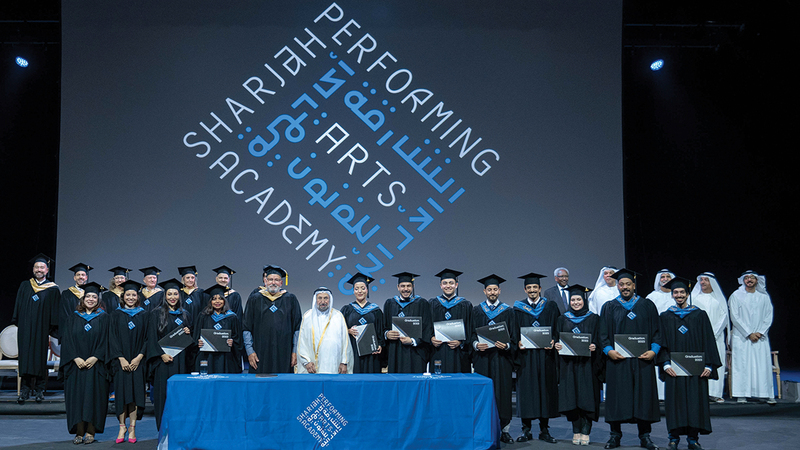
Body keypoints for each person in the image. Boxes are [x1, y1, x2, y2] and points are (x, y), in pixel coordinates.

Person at [598, 269, 661, 450]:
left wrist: (654, 351)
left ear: (634, 285)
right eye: (621, 284)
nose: (625, 287)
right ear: (617, 286)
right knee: (617, 397)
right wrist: (609, 350)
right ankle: (615, 435)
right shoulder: (609, 307)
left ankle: (645, 436)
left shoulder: (647, 305)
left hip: (642, 360)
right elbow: (602, 334)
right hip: (618, 361)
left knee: (643, 397)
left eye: (628, 284)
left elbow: (657, 331)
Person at [658, 277, 722, 450]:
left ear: (687, 294)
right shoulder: (665, 317)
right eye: (676, 292)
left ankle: (693, 439)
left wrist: (708, 365)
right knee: (675, 404)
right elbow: (661, 342)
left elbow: (708, 341)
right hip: (674, 369)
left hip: (696, 369)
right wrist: (665, 364)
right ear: (672, 295)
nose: (679, 295)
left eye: (682, 292)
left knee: (695, 403)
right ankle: (673, 438)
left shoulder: (699, 315)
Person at [60, 281, 110, 445]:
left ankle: (91, 430)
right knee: (77, 398)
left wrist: (96, 356)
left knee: (94, 398)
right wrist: (75, 357)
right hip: (76, 366)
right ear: (83, 299)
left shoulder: (104, 318)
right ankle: (79, 430)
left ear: (98, 300)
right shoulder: (73, 318)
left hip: (96, 366)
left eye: (94, 297)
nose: (90, 299)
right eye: (88, 296)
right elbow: (67, 341)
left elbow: (107, 340)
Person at [514, 272, 561, 443]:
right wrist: (518, 342)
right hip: (526, 357)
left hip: (545, 355)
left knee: (544, 390)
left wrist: (554, 339)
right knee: (527, 392)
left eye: (535, 287)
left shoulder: (550, 306)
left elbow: (557, 327)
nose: (532, 290)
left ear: (540, 288)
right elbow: (514, 331)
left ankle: (544, 430)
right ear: (525, 289)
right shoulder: (518, 308)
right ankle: (526, 430)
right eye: (529, 287)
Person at [471, 274, 518, 445]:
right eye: (489, 289)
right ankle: (483, 429)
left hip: (502, 359)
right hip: (483, 359)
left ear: (499, 291)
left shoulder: (508, 311)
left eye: (495, 289)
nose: (492, 292)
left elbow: (515, 337)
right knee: (483, 394)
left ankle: (504, 430)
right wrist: (476, 345)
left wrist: (507, 346)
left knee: (503, 394)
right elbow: (470, 335)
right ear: (484, 291)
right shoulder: (476, 311)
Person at [554, 284, 602, 447]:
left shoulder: (594, 318)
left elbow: (600, 338)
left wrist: (595, 345)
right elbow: (556, 338)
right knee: (572, 397)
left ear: (584, 301)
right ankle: (576, 430)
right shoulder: (562, 319)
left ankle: (586, 430)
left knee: (587, 397)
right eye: (573, 300)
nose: (576, 302)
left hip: (588, 366)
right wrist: (557, 345)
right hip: (569, 365)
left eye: (578, 299)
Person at [12, 253, 60, 404]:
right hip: (25, 329)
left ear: (47, 270)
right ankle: (25, 390)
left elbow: (54, 310)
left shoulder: (52, 289)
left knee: (39, 358)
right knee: (25, 357)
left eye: (42, 267)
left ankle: (40, 390)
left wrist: (51, 327)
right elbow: (18, 306)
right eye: (36, 267)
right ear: (33, 269)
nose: (39, 269)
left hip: (41, 329)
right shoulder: (25, 286)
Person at [146, 278, 192, 430]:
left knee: (180, 396)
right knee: (163, 395)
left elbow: (190, 343)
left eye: (175, 294)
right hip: (163, 362)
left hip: (181, 362)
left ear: (180, 296)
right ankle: (163, 430)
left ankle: (179, 430)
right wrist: (161, 354)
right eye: (169, 294)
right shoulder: (156, 314)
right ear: (165, 296)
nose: (173, 297)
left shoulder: (185, 314)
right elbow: (151, 338)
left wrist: (188, 332)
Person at [242, 265, 302, 374]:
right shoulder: (255, 299)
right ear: (265, 281)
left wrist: (295, 352)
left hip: (285, 353)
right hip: (260, 352)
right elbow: (246, 327)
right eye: (270, 279)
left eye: (276, 280)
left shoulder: (290, 299)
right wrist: (250, 352)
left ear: (281, 283)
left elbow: (297, 328)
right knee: (260, 382)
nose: (273, 282)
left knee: (283, 381)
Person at [109, 280, 148, 444]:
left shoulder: (144, 314)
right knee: (121, 395)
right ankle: (121, 427)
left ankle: (132, 427)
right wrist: (121, 358)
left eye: (133, 295)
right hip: (121, 362)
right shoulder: (115, 315)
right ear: (123, 296)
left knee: (135, 395)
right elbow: (112, 338)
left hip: (138, 362)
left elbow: (148, 338)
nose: (130, 297)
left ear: (137, 297)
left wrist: (139, 357)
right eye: (128, 295)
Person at [728, 270, 775, 404]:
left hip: (760, 338)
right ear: (743, 280)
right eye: (747, 278)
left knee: (762, 366)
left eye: (752, 278)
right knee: (742, 365)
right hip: (742, 337)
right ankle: (741, 394)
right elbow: (734, 317)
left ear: (757, 280)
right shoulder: (736, 295)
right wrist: (749, 333)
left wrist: (760, 332)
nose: (749, 280)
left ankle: (764, 394)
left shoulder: (764, 297)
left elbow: (768, 316)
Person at [383, 272, 433, 373]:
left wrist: (413, 341)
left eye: (408, 286)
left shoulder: (422, 303)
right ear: (398, 287)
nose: (405, 289)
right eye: (402, 286)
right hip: (395, 352)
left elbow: (427, 328)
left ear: (413, 287)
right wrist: (387, 334)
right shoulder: (390, 304)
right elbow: (384, 326)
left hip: (415, 353)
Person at [690, 272, 729, 402]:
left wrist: (712, 334)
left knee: (716, 363)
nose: (702, 282)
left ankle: (715, 394)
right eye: (701, 280)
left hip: (716, 338)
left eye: (706, 280)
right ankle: (698, 393)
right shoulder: (694, 299)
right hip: (697, 338)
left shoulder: (718, 299)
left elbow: (724, 317)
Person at [297, 287, 352, 374]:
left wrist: (344, 362)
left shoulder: (338, 316)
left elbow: (345, 342)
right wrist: (306, 361)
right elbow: (302, 342)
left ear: (330, 299)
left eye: (326, 298)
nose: (323, 301)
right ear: (315, 300)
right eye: (320, 298)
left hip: (334, 364)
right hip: (312, 365)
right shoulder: (307, 316)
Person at [429, 268, 473, 373]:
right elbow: (427, 326)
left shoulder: (465, 305)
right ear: (440, 285)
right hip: (438, 351)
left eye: (451, 283)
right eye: (445, 283)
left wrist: (461, 342)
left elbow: (470, 328)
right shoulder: (432, 304)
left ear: (456, 285)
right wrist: (431, 338)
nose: (448, 286)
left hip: (458, 354)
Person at [340, 273, 384, 373]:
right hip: (353, 351)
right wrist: (348, 331)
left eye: (363, 288)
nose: (360, 291)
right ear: (353, 291)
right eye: (356, 289)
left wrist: (380, 345)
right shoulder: (347, 310)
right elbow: (339, 329)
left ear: (367, 290)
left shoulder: (375, 310)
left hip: (371, 353)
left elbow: (380, 330)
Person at [194, 284, 244, 374]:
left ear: (224, 301)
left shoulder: (232, 317)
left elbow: (238, 338)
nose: (217, 301)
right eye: (214, 299)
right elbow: (196, 336)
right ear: (210, 301)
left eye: (220, 298)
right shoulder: (203, 316)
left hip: (226, 358)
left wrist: (232, 342)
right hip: (207, 356)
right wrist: (198, 342)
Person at [647, 269, 675, 401]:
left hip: (674, 335)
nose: (665, 279)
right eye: (662, 277)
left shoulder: (677, 295)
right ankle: (659, 394)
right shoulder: (652, 297)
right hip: (657, 334)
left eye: (668, 276)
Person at [57, 263, 91, 341]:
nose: (80, 277)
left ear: (86, 277)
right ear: (74, 278)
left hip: (88, 331)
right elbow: (64, 314)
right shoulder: (67, 294)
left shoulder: (91, 295)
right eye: (78, 275)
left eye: (83, 275)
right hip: (71, 331)